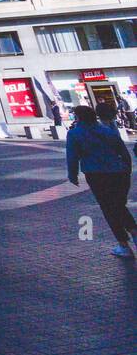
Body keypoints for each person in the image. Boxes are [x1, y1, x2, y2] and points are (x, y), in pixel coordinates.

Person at [67, 103, 136, 258]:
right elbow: (123, 152)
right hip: (119, 172)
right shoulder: (108, 131)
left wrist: (73, 175)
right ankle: (133, 233)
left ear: (78, 117)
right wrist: (127, 170)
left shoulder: (75, 133)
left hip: (97, 174)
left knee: (108, 209)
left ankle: (124, 245)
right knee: (118, 205)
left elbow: (72, 157)